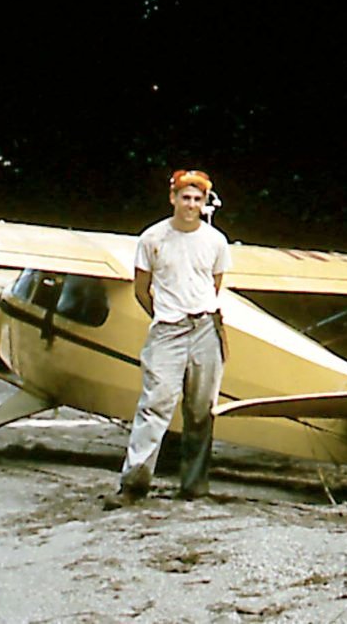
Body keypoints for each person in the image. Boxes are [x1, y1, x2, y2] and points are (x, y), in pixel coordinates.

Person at [104, 169, 232, 509]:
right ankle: (133, 483)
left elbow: (214, 283)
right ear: (172, 198)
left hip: (206, 327)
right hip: (167, 329)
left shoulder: (216, 241)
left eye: (197, 199)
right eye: (185, 197)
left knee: (201, 409)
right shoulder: (152, 238)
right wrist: (166, 315)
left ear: (204, 203)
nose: (190, 205)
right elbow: (141, 290)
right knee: (155, 404)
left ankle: (194, 486)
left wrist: (197, 314)